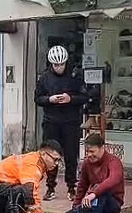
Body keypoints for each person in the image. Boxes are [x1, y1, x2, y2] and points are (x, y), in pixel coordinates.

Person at [34, 45, 89, 202]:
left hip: (71, 121)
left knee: (71, 155)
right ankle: (50, 187)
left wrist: (71, 99)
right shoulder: (44, 78)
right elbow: (37, 98)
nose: (59, 67)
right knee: (50, 155)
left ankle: (72, 187)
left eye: (61, 64)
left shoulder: (75, 75)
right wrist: (49, 100)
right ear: (51, 64)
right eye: (56, 65)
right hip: (51, 121)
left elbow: (84, 97)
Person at [0, 140, 64, 213]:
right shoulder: (33, 165)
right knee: (21, 195)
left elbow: (34, 190)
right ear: (44, 154)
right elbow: (29, 190)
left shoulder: (36, 160)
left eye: (58, 161)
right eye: (55, 159)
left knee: (18, 203)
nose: (56, 164)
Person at [55, 133, 125, 213]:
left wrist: (94, 193)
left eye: (92, 151)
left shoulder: (113, 162)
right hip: (93, 203)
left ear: (102, 148)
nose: (89, 155)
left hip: (111, 205)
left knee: (101, 192)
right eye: (87, 151)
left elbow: (114, 179)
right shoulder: (87, 163)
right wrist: (76, 206)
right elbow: (82, 186)